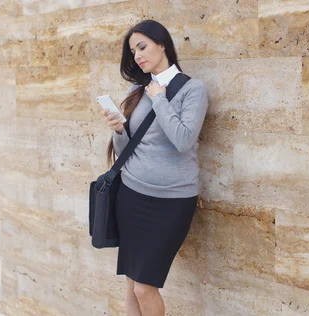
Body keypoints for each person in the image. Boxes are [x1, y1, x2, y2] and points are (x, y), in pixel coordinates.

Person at [101, 19, 209, 316]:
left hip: (171, 202)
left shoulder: (192, 89)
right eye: (133, 51)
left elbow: (183, 140)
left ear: (162, 44)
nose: (137, 55)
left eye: (142, 46)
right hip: (132, 196)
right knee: (132, 283)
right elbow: (127, 150)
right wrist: (118, 131)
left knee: (144, 288)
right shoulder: (138, 90)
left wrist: (160, 99)